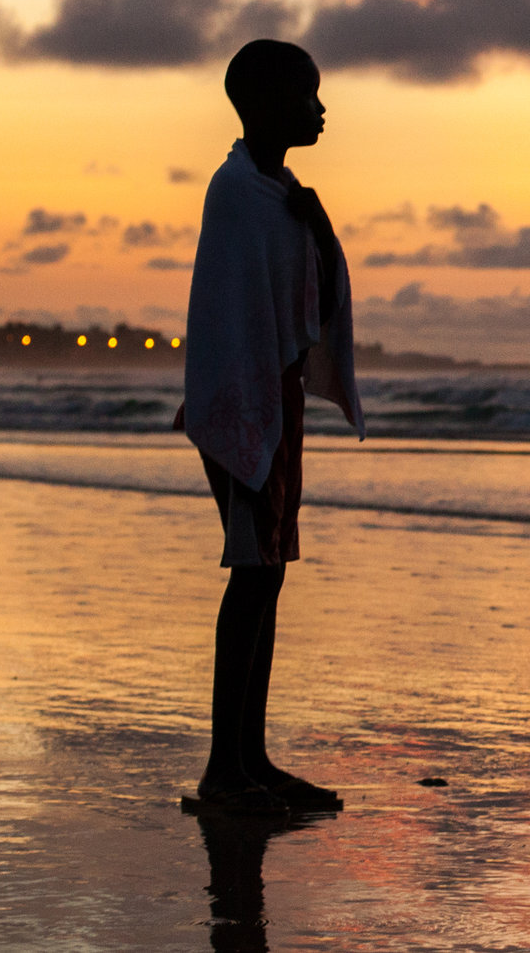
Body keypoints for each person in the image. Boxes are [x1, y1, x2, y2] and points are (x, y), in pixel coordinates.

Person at [177, 39, 362, 815]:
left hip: (273, 404)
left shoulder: (281, 192)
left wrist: (318, 225)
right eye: (309, 94)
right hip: (238, 407)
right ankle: (224, 771)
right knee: (250, 576)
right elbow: (228, 320)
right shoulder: (235, 192)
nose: (321, 109)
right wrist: (247, 415)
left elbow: (313, 307)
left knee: (270, 574)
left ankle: (251, 757)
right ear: (267, 102)